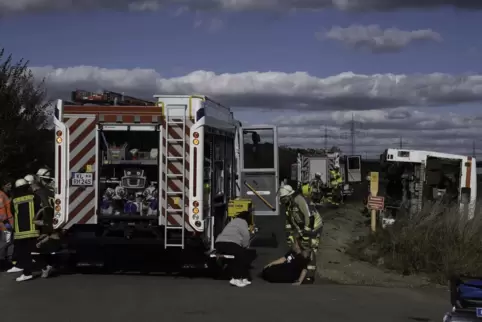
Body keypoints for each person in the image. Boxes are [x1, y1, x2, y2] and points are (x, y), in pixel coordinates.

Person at [279, 184, 323, 283]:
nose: (283, 201)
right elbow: (289, 221)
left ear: (289, 195)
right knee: (301, 247)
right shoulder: (289, 205)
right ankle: (302, 271)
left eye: (284, 198)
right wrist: (289, 234)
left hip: (314, 227)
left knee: (310, 249)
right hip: (303, 228)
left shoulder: (299, 200)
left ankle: (310, 276)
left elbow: (309, 216)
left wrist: (307, 233)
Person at [7, 178, 42, 282]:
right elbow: (39, 209)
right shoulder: (34, 196)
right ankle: (44, 266)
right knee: (34, 251)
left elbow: (13, 213)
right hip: (33, 228)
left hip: (20, 230)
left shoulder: (14, 200)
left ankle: (27, 273)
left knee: (24, 252)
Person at [214, 211, 252, 287]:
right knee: (241, 256)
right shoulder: (243, 222)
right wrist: (245, 246)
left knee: (238, 254)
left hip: (219, 243)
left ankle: (244, 277)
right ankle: (236, 278)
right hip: (230, 243)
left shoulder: (233, 222)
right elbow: (246, 236)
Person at [30, 178, 56, 278]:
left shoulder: (39, 194)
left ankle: (45, 266)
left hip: (45, 221)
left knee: (35, 247)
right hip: (52, 220)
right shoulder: (49, 191)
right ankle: (48, 265)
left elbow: (44, 207)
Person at [0, 177, 14, 271]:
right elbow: (2, 210)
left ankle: (9, 259)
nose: (10, 186)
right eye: (8, 184)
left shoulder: (6, 194)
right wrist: (6, 222)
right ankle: (2, 261)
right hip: (5, 224)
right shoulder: (1, 195)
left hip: (8, 222)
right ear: (3, 186)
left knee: (9, 242)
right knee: (6, 242)